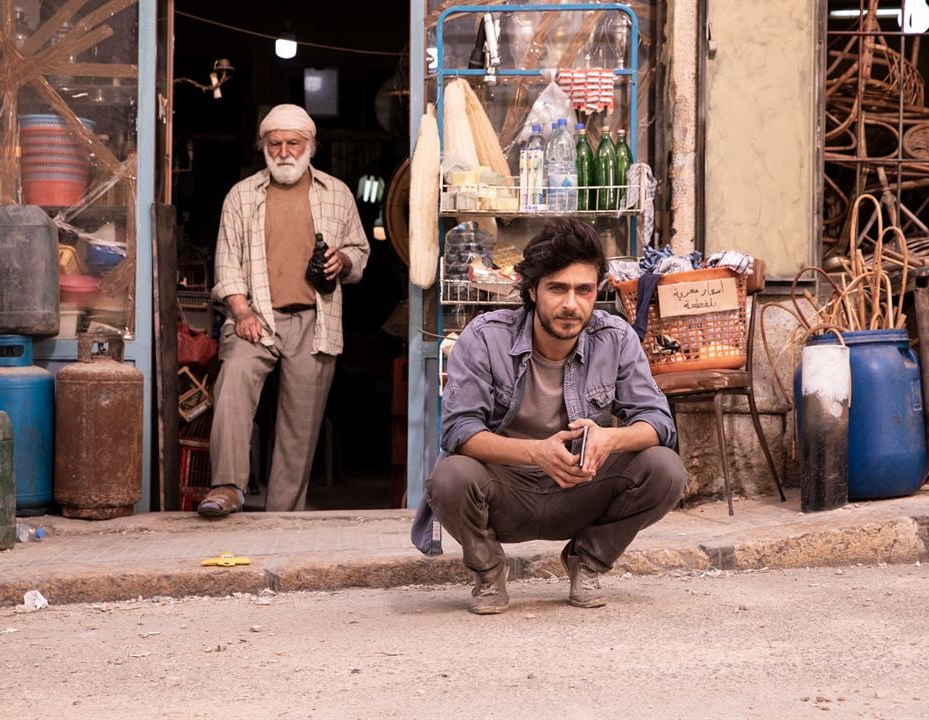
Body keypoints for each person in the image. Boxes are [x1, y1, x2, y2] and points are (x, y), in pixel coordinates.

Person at [412, 218, 687, 614]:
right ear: (532, 290)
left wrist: (610, 439)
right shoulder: (485, 337)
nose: (571, 304)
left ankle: (587, 561)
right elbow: (458, 431)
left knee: (666, 469)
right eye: (557, 288)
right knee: (450, 475)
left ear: (597, 292)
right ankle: (489, 570)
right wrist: (536, 452)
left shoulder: (616, 338)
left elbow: (658, 421)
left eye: (584, 290)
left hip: (580, 489)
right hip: (505, 493)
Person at [200, 104, 370, 516]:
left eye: (293, 143)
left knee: (300, 425)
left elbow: (359, 252)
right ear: (264, 147)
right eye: (274, 143)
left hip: (315, 319)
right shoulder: (242, 195)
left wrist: (342, 261)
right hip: (255, 316)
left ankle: (282, 514)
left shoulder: (337, 193)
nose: (284, 151)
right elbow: (226, 264)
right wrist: (240, 312)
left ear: (312, 145)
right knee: (234, 384)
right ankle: (227, 487)